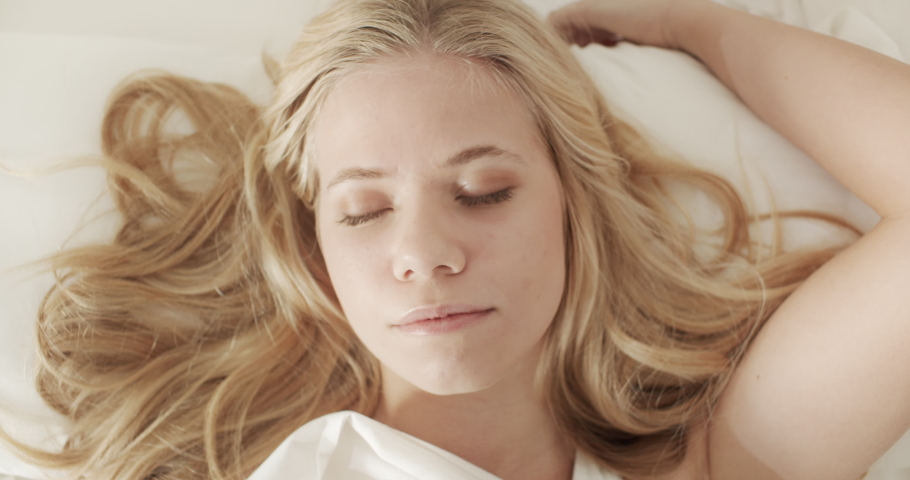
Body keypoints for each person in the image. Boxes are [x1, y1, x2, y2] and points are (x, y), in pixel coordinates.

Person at [5, 0, 909, 478]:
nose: (426, 253)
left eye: (481, 193)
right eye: (362, 210)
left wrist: (696, 25)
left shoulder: (723, 464)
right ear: (314, 253)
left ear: (572, 206)